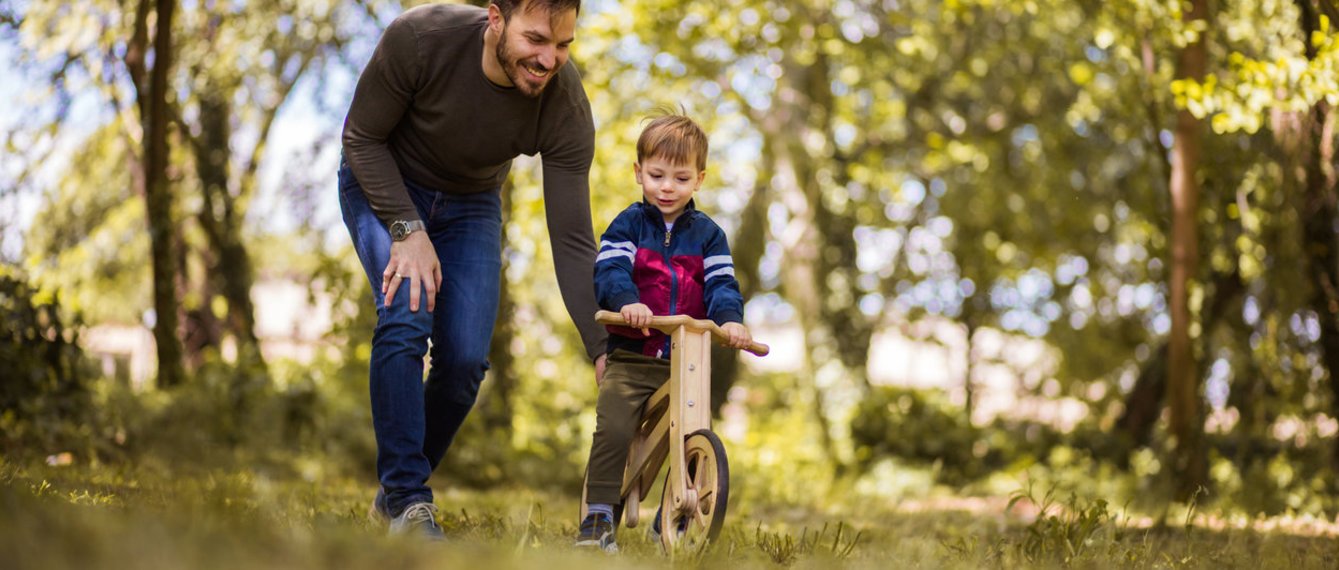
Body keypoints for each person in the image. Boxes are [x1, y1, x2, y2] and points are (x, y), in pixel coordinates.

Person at [337, 0, 607, 539]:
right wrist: (406, 231)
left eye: (563, 45)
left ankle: (393, 496)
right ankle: (409, 501)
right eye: (536, 40)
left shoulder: (563, 103)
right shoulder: (421, 38)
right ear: (495, 19)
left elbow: (573, 239)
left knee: (463, 364)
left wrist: (602, 348)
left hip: (471, 205)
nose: (549, 59)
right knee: (407, 311)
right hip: (384, 182)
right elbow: (361, 139)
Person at [575, 111, 752, 552]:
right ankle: (596, 518)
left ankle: (670, 521)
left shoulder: (709, 236)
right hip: (633, 357)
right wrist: (625, 302)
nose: (667, 186)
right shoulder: (628, 225)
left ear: (699, 180)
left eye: (680, 177)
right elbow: (611, 269)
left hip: (686, 358)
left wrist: (730, 320)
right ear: (639, 174)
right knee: (613, 426)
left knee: (695, 428)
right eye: (656, 175)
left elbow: (722, 285)